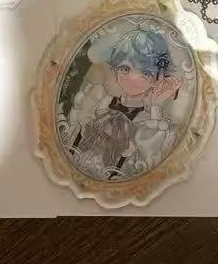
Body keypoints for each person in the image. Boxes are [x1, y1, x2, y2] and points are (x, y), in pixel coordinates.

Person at [65, 27, 181, 179]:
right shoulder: (104, 97)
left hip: (117, 178)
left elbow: (149, 150)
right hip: (79, 165)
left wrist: (156, 107)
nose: (132, 78)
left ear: (157, 78)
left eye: (145, 73)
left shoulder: (150, 116)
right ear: (115, 68)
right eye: (125, 69)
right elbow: (82, 123)